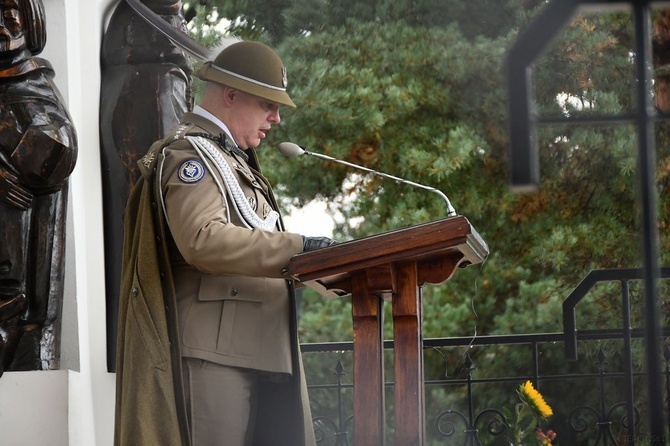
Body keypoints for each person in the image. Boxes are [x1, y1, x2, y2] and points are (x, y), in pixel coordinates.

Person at [114, 38, 335, 446]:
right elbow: (202, 239)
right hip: (215, 358)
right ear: (231, 95)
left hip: (259, 351)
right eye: (268, 104)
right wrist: (299, 248)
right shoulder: (191, 156)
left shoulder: (229, 159)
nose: (276, 118)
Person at [0, 0, 77, 375]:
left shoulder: (33, 84)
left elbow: (55, 155)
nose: (1, 27)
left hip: (20, 257)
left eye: (9, 12)